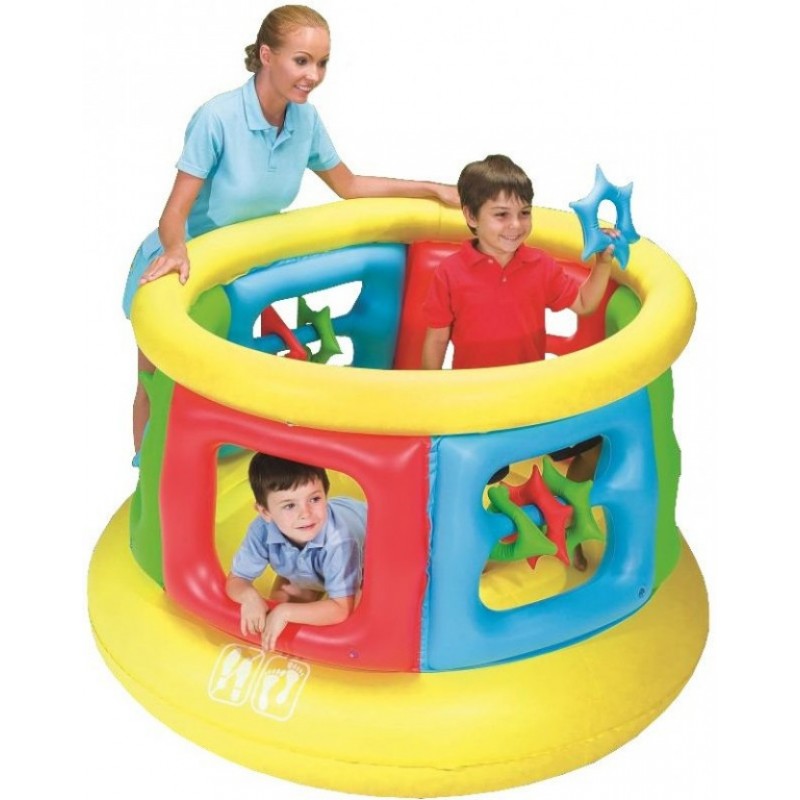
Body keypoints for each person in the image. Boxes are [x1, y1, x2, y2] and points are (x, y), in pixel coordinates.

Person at [125, 5, 458, 455]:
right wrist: (175, 249)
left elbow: (350, 186)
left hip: (242, 270)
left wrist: (429, 190)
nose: (313, 75)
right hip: (180, 264)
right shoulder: (218, 118)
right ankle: (145, 478)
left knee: (225, 391)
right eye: (301, 61)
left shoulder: (305, 120)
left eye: (322, 63)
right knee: (158, 385)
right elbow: (173, 213)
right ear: (267, 55)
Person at [421, 154, 615, 564]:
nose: (515, 225)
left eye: (524, 213)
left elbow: (584, 303)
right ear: (471, 216)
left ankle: (569, 523)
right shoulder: (451, 273)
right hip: (479, 402)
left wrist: (603, 262)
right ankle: (474, 550)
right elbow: (436, 338)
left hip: (533, 396)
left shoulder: (539, 264)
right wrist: (431, 397)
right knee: (467, 478)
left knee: (595, 445)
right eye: (501, 215)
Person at [226, 453, 366, 651]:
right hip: (316, 563)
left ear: (326, 495)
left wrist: (286, 613)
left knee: (359, 614)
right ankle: (310, 583)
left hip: (371, 551)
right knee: (276, 606)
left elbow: (341, 609)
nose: (306, 514)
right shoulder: (261, 530)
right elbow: (236, 579)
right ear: (265, 512)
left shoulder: (340, 541)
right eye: (290, 505)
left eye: (315, 499)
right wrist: (249, 597)